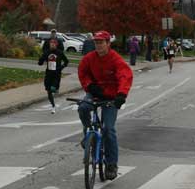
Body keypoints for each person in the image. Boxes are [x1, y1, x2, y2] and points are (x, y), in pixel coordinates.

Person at [77, 31, 134, 180]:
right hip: (95, 92)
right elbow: (82, 72)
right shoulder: (89, 58)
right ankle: (88, 133)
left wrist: (121, 94)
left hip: (111, 96)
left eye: (101, 42)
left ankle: (111, 164)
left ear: (108, 44)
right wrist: (89, 86)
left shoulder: (115, 59)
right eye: (96, 42)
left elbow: (125, 75)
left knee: (108, 129)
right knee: (83, 107)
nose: (98, 45)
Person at [38, 37, 69, 114]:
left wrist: (61, 67)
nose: (52, 45)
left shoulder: (60, 52)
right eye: (51, 43)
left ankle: (56, 89)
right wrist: (41, 59)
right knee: (48, 91)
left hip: (56, 74)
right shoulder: (47, 52)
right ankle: (53, 106)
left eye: (54, 44)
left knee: (53, 88)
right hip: (48, 74)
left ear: (56, 45)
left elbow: (66, 61)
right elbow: (40, 63)